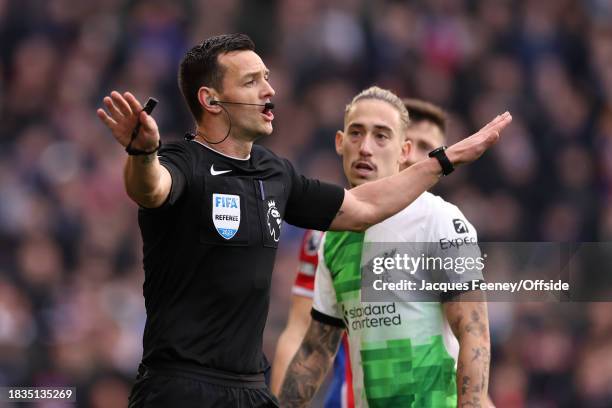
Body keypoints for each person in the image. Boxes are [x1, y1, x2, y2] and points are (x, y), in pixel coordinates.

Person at [96, 33, 511, 407]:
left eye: (266, 77)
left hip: (248, 388)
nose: (269, 90)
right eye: (251, 82)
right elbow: (151, 189)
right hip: (182, 388)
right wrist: (142, 153)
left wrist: (446, 158)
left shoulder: (276, 173)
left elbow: (362, 209)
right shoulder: (181, 161)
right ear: (211, 100)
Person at [279, 88, 492, 407]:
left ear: (404, 150)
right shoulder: (332, 237)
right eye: (356, 133)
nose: (365, 148)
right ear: (339, 143)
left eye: (381, 137)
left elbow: (474, 333)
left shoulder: (439, 220)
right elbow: (317, 349)